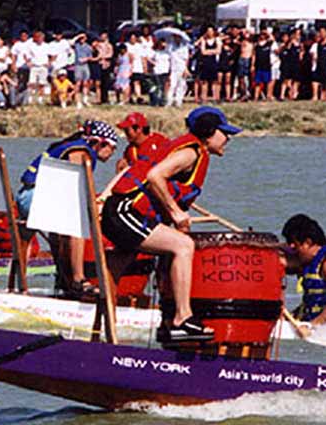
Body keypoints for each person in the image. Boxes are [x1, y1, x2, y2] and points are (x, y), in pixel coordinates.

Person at [101, 106, 242, 342]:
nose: (228, 138)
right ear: (209, 132)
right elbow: (155, 176)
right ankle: (182, 319)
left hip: (123, 213)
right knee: (183, 246)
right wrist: (176, 212)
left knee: (118, 264)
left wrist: (176, 219)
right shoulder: (191, 152)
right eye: (224, 132)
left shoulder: (195, 152)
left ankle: (105, 331)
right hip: (124, 212)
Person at [16, 120, 118, 297]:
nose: (113, 153)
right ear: (101, 143)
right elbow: (77, 186)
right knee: (78, 223)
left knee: (63, 228)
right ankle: (78, 280)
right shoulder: (81, 152)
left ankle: (61, 280)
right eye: (112, 148)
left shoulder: (69, 145)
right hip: (35, 199)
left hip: (27, 198)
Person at [26, 31, 50, 105]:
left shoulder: (46, 46)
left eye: (41, 37)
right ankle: (30, 98)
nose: (40, 39)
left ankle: (40, 98)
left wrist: (49, 63)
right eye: (38, 37)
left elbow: (52, 55)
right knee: (31, 83)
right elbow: (27, 55)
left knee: (42, 84)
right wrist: (28, 62)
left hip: (43, 66)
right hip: (34, 66)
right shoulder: (32, 46)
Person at [166, 34, 189, 107]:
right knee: (172, 85)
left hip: (182, 68)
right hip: (173, 68)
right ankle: (169, 101)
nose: (177, 39)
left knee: (181, 85)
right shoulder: (170, 46)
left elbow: (186, 59)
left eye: (178, 37)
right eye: (175, 37)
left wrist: (186, 69)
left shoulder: (184, 47)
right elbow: (169, 57)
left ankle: (178, 101)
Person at [199, 26, 221, 102]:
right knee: (204, 81)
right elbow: (203, 52)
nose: (210, 33)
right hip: (205, 63)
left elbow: (218, 51)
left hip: (213, 62)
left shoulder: (217, 40)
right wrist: (212, 51)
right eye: (208, 31)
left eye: (211, 31)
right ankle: (204, 98)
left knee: (214, 81)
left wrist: (208, 51)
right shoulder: (203, 40)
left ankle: (215, 98)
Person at [310, 28, 326, 101]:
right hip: (316, 66)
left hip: (325, 65)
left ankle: (324, 96)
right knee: (315, 81)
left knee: (324, 81)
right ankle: (315, 95)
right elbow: (313, 55)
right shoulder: (315, 45)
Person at [252, 28, 274, 101]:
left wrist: (267, 32)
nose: (262, 36)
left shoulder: (268, 43)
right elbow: (254, 55)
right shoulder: (256, 45)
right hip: (258, 66)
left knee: (268, 82)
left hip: (266, 65)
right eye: (261, 35)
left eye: (264, 35)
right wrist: (252, 65)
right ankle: (256, 97)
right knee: (258, 82)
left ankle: (268, 96)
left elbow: (272, 38)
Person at [148, 38, 170, 106]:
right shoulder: (155, 52)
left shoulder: (167, 52)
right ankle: (156, 100)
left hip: (165, 70)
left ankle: (163, 100)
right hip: (157, 71)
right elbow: (148, 58)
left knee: (164, 86)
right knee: (158, 86)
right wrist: (153, 63)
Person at [72, 33, 93, 106]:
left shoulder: (88, 47)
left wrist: (85, 59)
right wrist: (77, 36)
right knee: (78, 83)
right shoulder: (77, 45)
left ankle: (85, 100)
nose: (82, 39)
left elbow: (90, 57)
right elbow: (71, 43)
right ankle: (78, 101)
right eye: (81, 38)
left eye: (83, 38)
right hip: (78, 65)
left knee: (85, 83)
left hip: (85, 65)